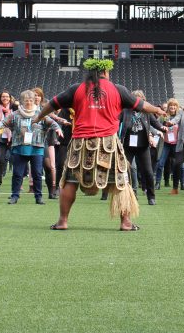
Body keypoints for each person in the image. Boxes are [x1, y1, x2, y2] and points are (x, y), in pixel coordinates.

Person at [37, 58, 165, 231]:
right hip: (108, 142)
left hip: (80, 142)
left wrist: (38, 117)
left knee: (70, 181)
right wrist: (157, 110)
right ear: (105, 72)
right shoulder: (118, 89)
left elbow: (51, 104)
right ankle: (125, 222)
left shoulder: (77, 88)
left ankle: (62, 221)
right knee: (121, 183)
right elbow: (141, 105)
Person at [0, 89, 62, 204]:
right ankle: (15, 196)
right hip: (20, 148)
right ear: (22, 101)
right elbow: (3, 122)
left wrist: (58, 129)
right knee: (17, 174)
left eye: (30, 100)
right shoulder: (15, 115)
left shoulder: (41, 114)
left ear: (34, 101)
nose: (28, 102)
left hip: (36, 148)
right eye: (26, 100)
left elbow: (52, 123)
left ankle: (38, 197)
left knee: (37, 174)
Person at [120, 90, 165, 206]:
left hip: (143, 146)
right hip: (127, 146)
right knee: (126, 171)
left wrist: (164, 127)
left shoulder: (147, 112)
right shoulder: (125, 111)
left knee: (148, 172)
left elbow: (156, 123)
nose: (138, 101)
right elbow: (115, 120)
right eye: (135, 99)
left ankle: (151, 197)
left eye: (140, 99)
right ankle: (130, 195)